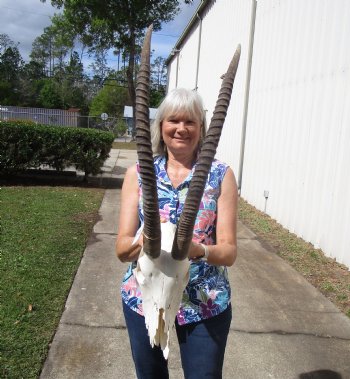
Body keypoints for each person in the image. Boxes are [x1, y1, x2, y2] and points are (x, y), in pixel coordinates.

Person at [116, 88, 238, 379]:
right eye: (173, 120)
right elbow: (121, 249)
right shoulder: (138, 174)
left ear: (201, 128)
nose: (181, 128)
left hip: (204, 302)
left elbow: (229, 252)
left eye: (190, 122)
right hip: (145, 299)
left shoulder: (221, 175)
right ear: (161, 126)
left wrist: (200, 250)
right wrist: (145, 240)